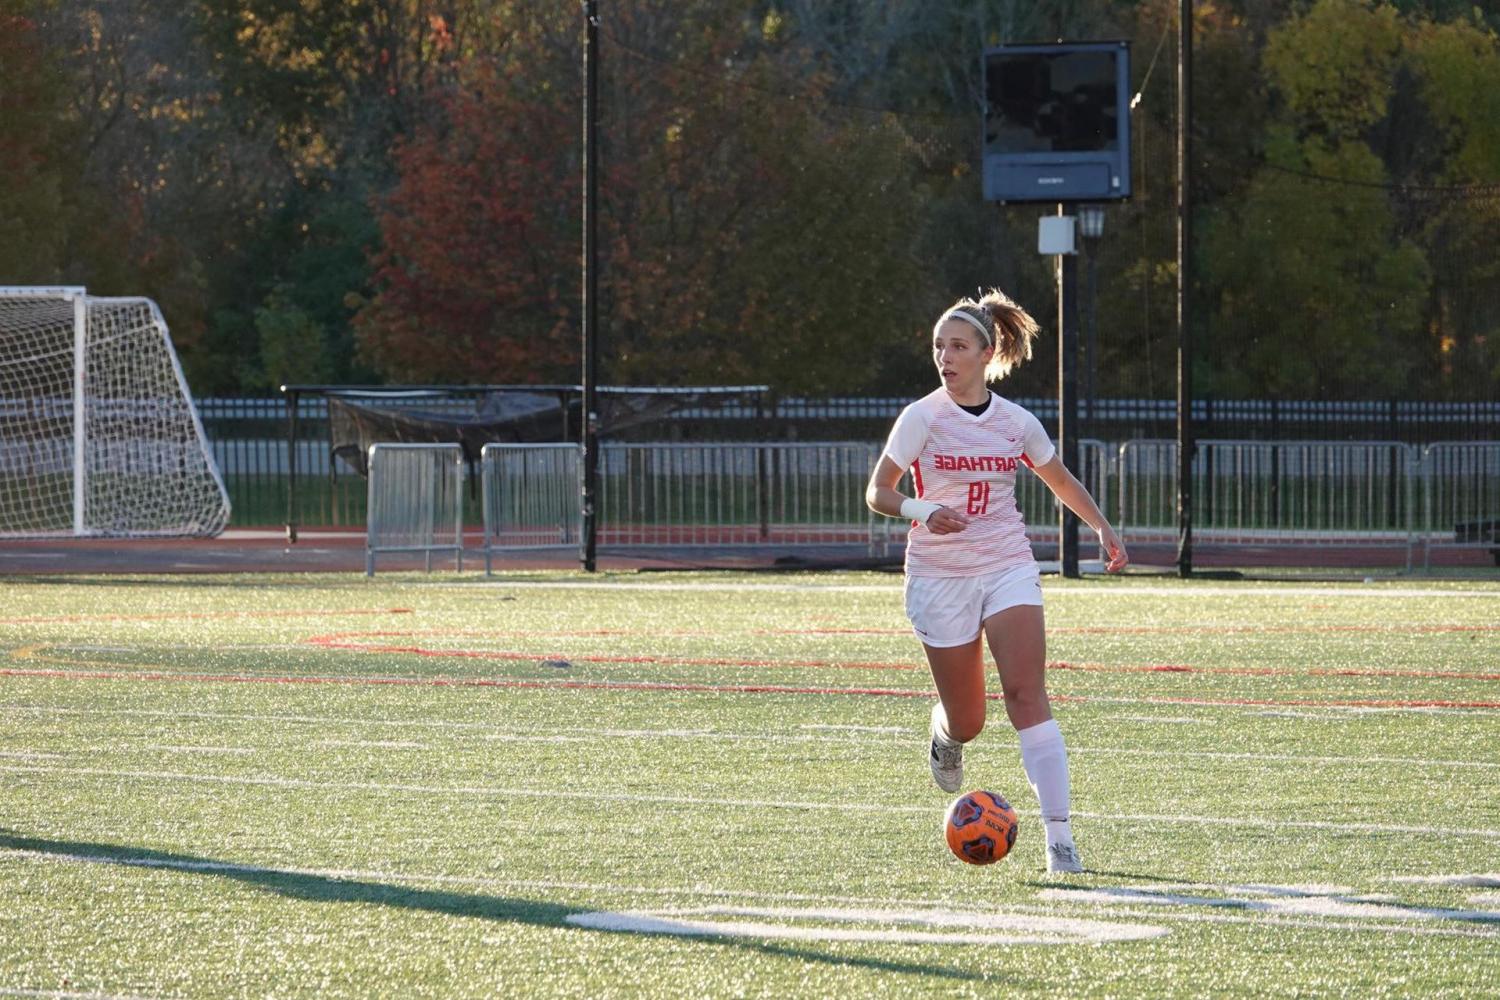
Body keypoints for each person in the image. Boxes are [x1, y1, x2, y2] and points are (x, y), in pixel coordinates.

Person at [864, 288, 1128, 874]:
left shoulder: (1016, 421)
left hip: (1007, 563)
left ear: (987, 354)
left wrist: (1103, 528)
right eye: (939, 346)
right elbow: (877, 492)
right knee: (971, 720)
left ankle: (1060, 838)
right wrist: (922, 510)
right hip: (939, 575)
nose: (945, 356)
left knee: (1027, 695)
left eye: (958, 346)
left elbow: (1058, 479)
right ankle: (946, 731)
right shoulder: (922, 417)